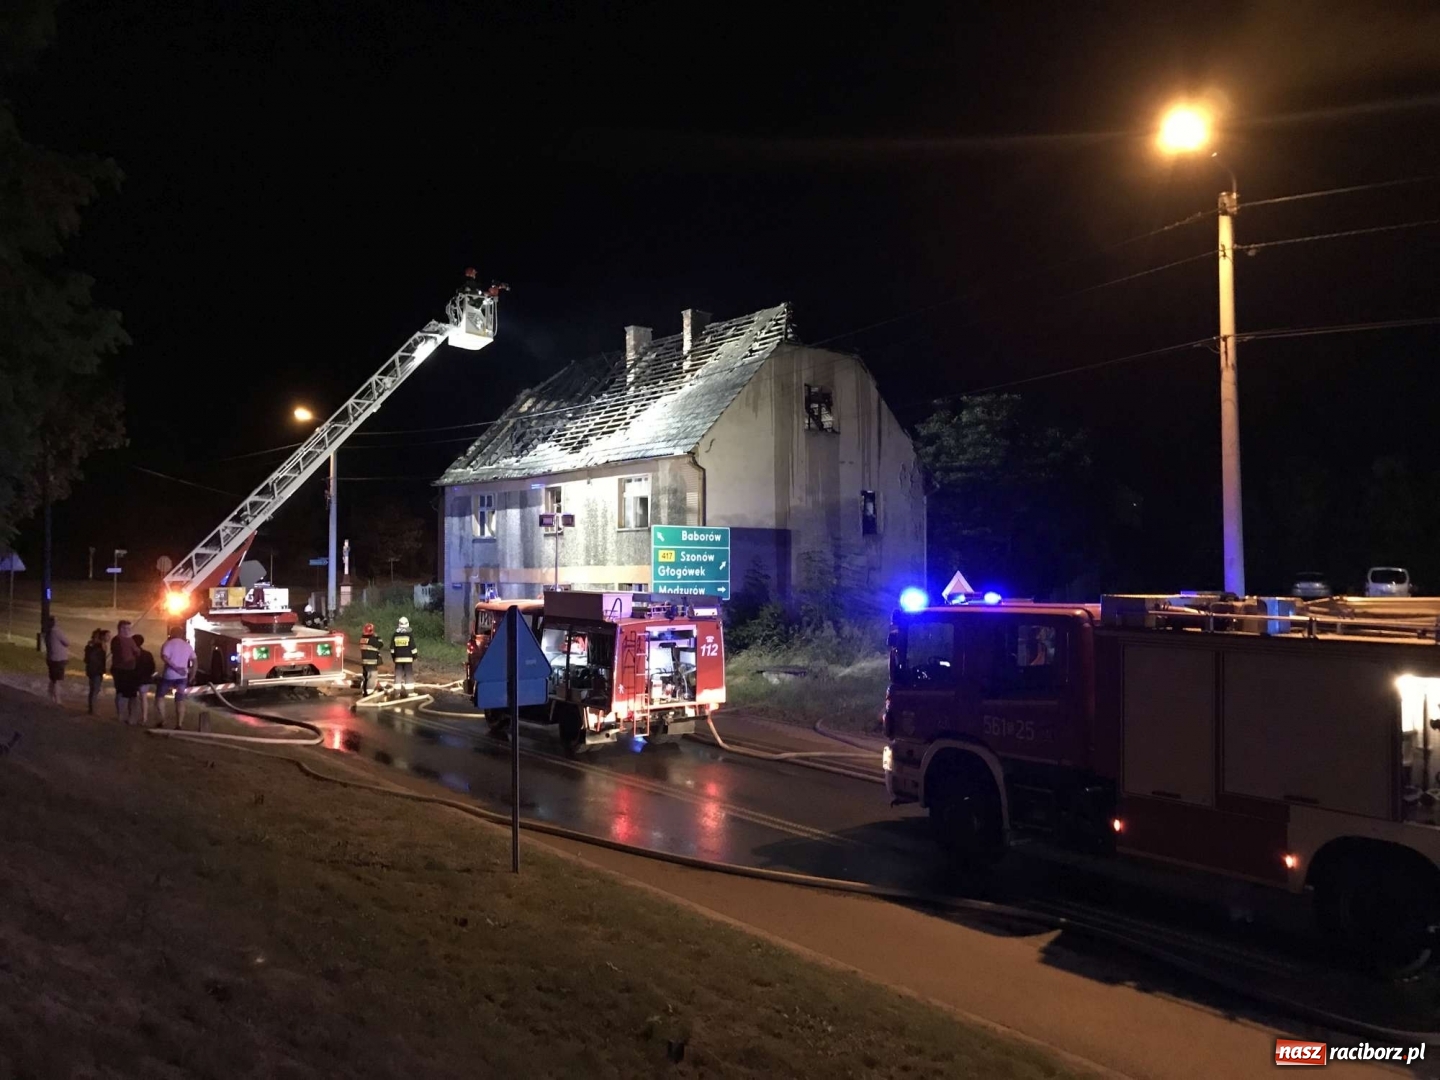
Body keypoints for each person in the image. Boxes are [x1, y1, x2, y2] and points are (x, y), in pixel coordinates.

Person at [156, 624, 196, 730]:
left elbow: (164, 657)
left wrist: (175, 667)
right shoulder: (187, 646)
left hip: (168, 676)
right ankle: (179, 724)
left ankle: (163, 720)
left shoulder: (167, 644)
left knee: (160, 697)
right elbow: (195, 661)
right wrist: (192, 675)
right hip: (182, 677)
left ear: (172, 633)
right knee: (179, 699)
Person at [110, 620, 140, 721]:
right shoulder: (117, 640)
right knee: (121, 693)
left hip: (130, 669)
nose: (127, 631)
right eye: (125, 628)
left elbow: (137, 651)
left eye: (129, 629)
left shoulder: (130, 640)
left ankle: (131, 717)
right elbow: (123, 655)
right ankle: (120, 715)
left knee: (132, 694)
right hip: (120, 670)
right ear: (120, 629)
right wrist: (133, 654)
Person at [43, 616, 69, 705]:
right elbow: (67, 642)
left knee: (53, 679)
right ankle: (57, 699)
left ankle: (50, 696)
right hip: (59, 659)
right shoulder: (57, 632)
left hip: (51, 658)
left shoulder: (48, 633)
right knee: (57, 680)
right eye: (57, 621)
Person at [132, 634, 157, 726]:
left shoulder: (131, 654)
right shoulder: (147, 654)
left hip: (134, 678)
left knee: (133, 698)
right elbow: (152, 667)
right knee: (143, 698)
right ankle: (144, 717)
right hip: (145, 679)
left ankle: (133, 716)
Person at [84, 629, 109, 715]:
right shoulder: (99, 647)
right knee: (95, 690)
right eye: (107, 636)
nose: (109, 638)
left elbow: (86, 659)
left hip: (91, 670)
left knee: (93, 689)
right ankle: (93, 710)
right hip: (96, 671)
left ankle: (91, 708)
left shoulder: (90, 646)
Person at [391, 615, 417, 690]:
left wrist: (394, 657)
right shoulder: (409, 635)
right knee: (408, 675)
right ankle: (409, 692)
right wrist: (415, 656)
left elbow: (392, 649)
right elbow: (413, 648)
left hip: (398, 659)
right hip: (408, 659)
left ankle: (396, 693)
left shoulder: (395, 635)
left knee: (398, 675)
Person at [358, 622, 385, 694]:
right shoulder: (372, 639)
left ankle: (365, 691)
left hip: (364, 662)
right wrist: (378, 637)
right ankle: (370, 691)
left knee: (366, 677)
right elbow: (380, 644)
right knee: (373, 676)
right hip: (371, 661)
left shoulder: (362, 638)